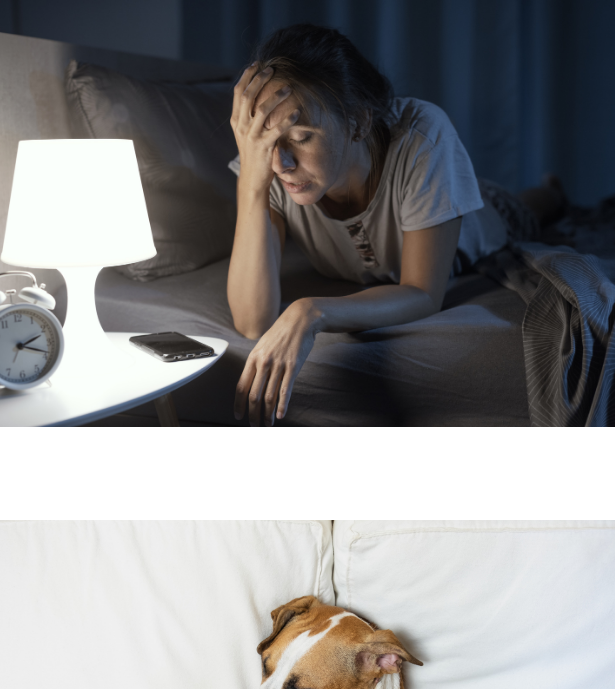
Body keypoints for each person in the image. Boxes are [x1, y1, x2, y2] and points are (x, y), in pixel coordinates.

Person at [227, 23, 566, 426]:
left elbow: (422, 292)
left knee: (527, 209)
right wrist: (252, 181)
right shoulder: (264, 165)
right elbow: (251, 320)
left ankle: (553, 192)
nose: (281, 164)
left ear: (358, 122)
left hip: (483, 218)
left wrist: (310, 311)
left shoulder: (423, 138)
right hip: (422, 199)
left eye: (301, 137)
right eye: (267, 141)